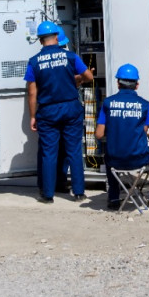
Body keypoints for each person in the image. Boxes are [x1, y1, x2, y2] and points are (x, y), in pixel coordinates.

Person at [24, 20, 94, 204]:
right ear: (56, 36)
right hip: (70, 108)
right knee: (74, 151)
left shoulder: (33, 62)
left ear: (40, 40)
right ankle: (79, 193)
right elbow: (89, 76)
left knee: (49, 152)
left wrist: (32, 116)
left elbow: (32, 91)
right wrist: (76, 79)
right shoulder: (71, 57)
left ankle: (47, 195)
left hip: (47, 111)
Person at [96, 64, 149, 209]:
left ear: (118, 83)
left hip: (115, 160)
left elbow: (99, 134)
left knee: (109, 155)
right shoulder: (144, 105)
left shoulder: (108, 103)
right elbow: (143, 131)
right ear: (137, 85)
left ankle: (114, 198)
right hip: (137, 159)